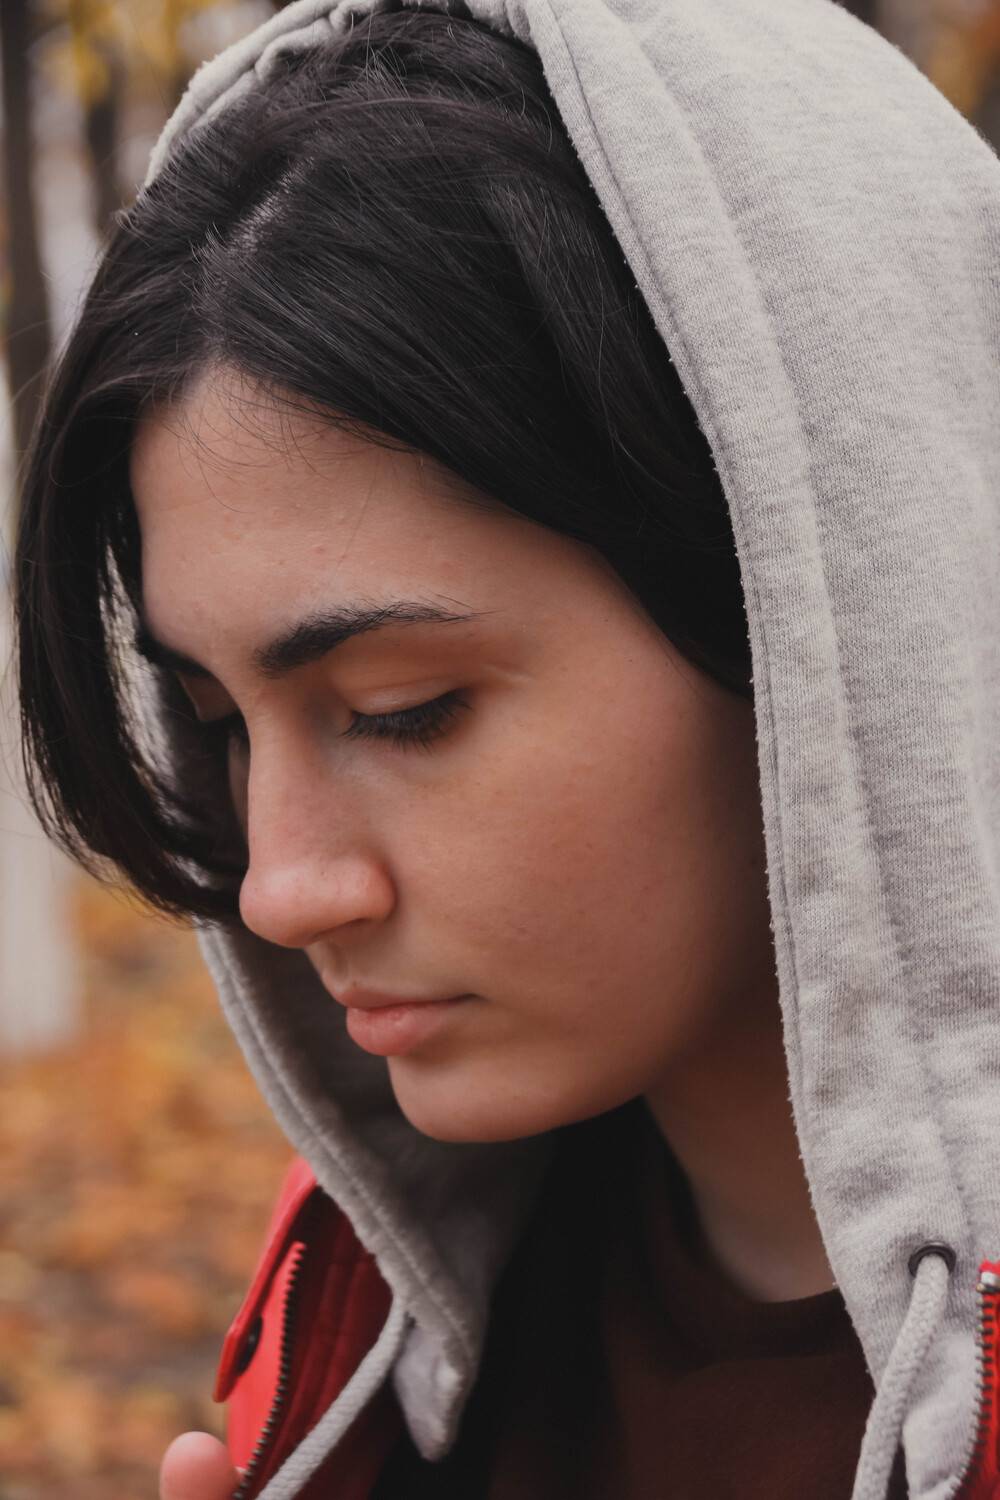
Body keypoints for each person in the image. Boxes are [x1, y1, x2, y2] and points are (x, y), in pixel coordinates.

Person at [12, 0, 1000, 1496]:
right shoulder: (359, 1323)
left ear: (834, 612)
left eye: (401, 705)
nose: (280, 888)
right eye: (218, 725)